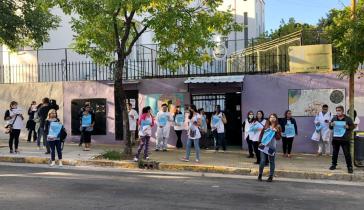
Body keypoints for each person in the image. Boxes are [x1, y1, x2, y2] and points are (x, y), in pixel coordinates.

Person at [329, 105, 355, 174]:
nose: (338, 112)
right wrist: (331, 125)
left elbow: (352, 126)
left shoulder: (348, 119)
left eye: (339, 110)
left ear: (342, 111)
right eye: (337, 110)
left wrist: (348, 127)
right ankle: (333, 165)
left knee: (347, 154)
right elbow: (330, 127)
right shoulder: (334, 118)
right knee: (335, 153)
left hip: (345, 139)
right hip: (336, 139)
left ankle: (349, 167)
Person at [258, 113, 282, 182]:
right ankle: (260, 175)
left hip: (272, 146)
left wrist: (276, 132)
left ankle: (271, 176)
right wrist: (259, 142)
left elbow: (279, 137)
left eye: (274, 117)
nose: (272, 118)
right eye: (271, 117)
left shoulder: (278, 126)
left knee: (271, 161)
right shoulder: (266, 125)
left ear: (276, 118)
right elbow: (261, 134)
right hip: (263, 145)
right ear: (269, 118)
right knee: (262, 161)